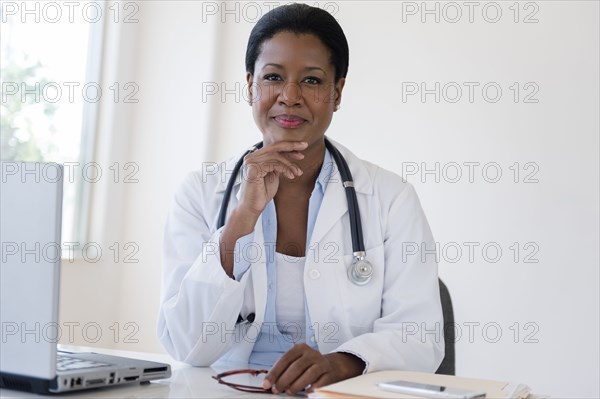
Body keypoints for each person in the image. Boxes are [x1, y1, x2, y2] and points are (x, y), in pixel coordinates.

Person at [157, 3, 444, 395]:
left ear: (336, 92)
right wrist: (242, 218)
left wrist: (341, 362)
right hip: (226, 390)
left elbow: (421, 338)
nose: (289, 97)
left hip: (340, 392)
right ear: (250, 86)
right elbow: (187, 345)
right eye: (273, 77)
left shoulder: (391, 199)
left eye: (311, 81)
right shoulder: (200, 194)